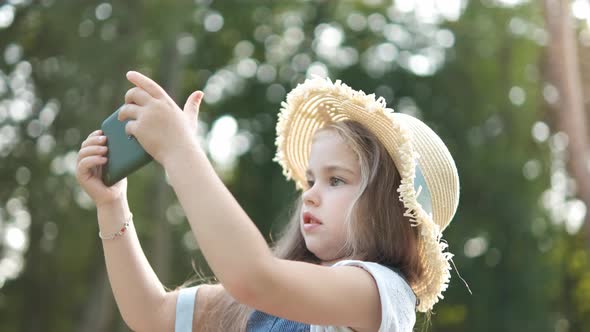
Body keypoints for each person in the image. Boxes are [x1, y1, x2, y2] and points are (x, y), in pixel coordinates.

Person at [75, 71, 460, 332]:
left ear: (391, 209)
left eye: (336, 180)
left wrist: (180, 151)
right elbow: (152, 314)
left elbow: (252, 276)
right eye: (311, 180)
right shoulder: (269, 293)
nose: (309, 193)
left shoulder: (381, 293)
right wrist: (112, 205)